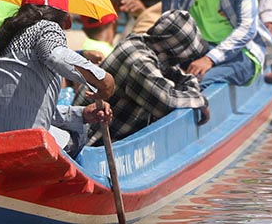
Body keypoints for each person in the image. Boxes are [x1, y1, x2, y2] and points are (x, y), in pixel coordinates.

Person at [0, 0, 114, 156]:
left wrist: (80, 114)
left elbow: (28, 108)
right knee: (80, 135)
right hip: (21, 147)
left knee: (74, 125)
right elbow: (54, 55)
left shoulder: (4, 38)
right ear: (62, 20)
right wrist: (104, 80)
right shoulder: (47, 26)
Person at [80, 10, 210, 144]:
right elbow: (166, 103)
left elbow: (182, 77)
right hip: (93, 145)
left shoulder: (145, 48)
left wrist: (191, 90)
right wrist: (199, 100)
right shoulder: (139, 60)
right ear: (176, 51)